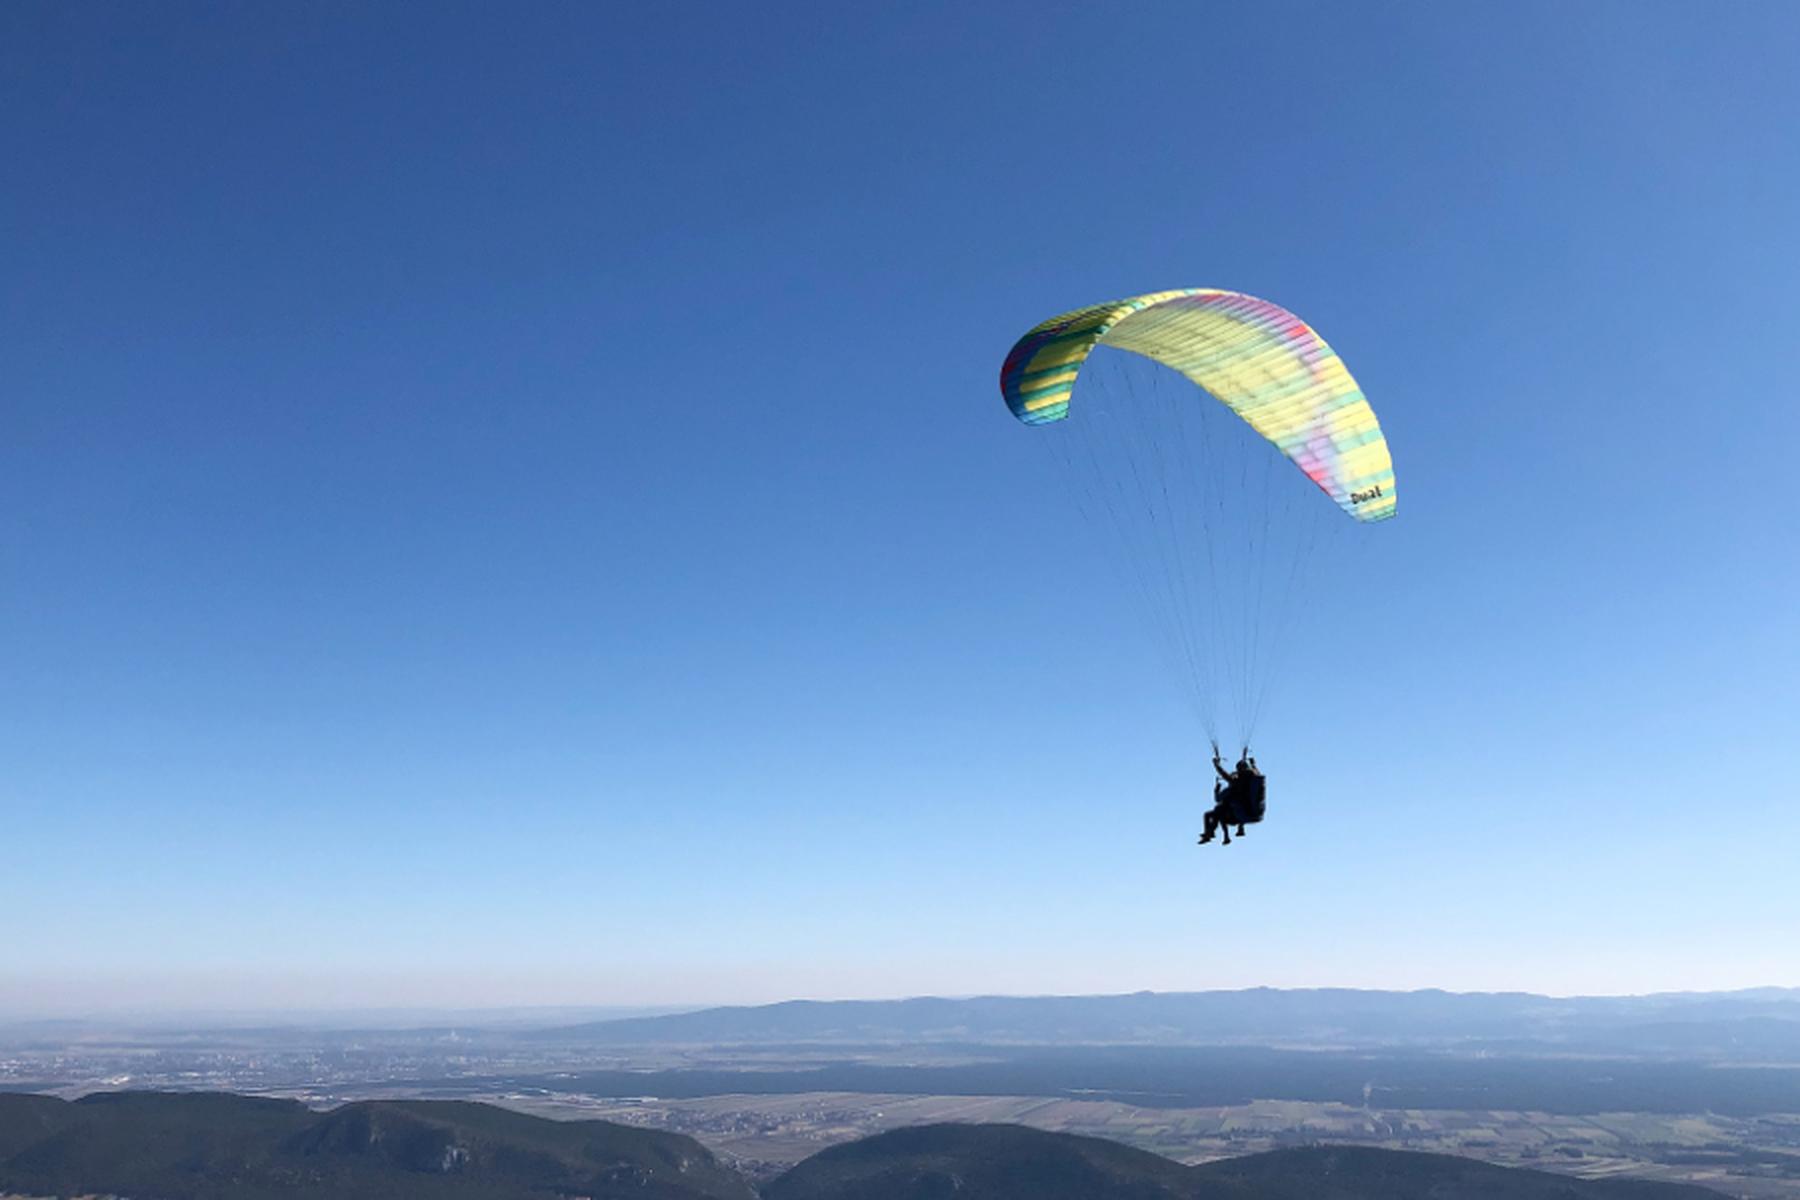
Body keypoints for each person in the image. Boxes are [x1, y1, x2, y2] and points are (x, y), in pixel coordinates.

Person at [1198, 750, 1265, 845]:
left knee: (1217, 811)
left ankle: (1212, 834)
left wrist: (1217, 765)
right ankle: (1218, 833)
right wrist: (1253, 764)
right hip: (1253, 814)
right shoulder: (1254, 781)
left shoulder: (1237, 783)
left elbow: (1224, 776)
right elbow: (1257, 773)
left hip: (1238, 815)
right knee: (1221, 810)